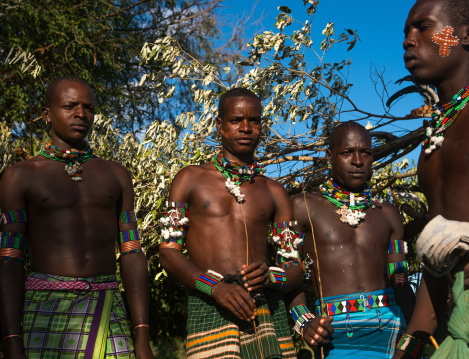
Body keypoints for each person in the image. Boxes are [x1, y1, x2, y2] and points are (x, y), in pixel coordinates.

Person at [0, 76, 153, 359]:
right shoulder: (19, 176)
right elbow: (10, 258)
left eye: (88, 107)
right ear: (47, 114)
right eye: (70, 106)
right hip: (44, 308)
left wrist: (142, 333)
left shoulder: (116, 175)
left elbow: (132, 252)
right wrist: (10, 338)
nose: (81, 114)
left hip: (108, 307)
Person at [394, 0, 469, 358]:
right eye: (406, 32)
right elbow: (439, 257)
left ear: (468, 34)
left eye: (423, 27)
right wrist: (413, 339)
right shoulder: (433, 140)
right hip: (460, 321)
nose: (408, 41)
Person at [158, 87, 302, 359]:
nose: (246, 128)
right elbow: (168, 252)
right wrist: (215, 287)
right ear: (219, 125)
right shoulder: (189, 179)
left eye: (254, 120)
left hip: (265, 310)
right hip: (208, 306)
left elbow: (294, 267)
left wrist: (271, 276)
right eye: (236, 120)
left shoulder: (274, 191)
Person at [288, 121, 415, 358]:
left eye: (365, 153)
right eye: (347, 152)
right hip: (333, 334)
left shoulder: (388, 213)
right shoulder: (303, 206)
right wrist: (304, 322)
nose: (358, 161)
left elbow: (400, 280)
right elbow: (287, 275)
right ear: (329, 156)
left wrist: (416, 336)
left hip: (391, 330)